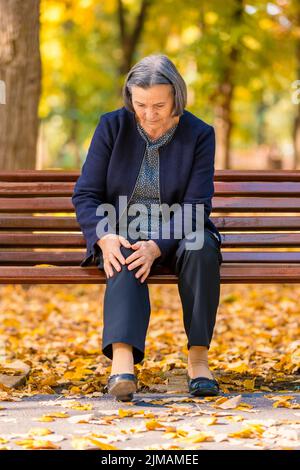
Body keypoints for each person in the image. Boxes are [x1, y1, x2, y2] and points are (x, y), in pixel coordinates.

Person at [72, 53, 223, 402]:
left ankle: (199, 361)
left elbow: (196, 205)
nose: (149, 114)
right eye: (141, 104)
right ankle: (122, 364)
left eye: (159, 105)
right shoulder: (112, 126)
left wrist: (158, 244)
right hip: (125, 226)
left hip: (182, 231)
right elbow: (87, 193)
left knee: (202, 246)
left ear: (176, 98)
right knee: (122, 248)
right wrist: (103, 235)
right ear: (130, 97)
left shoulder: (200, 134)